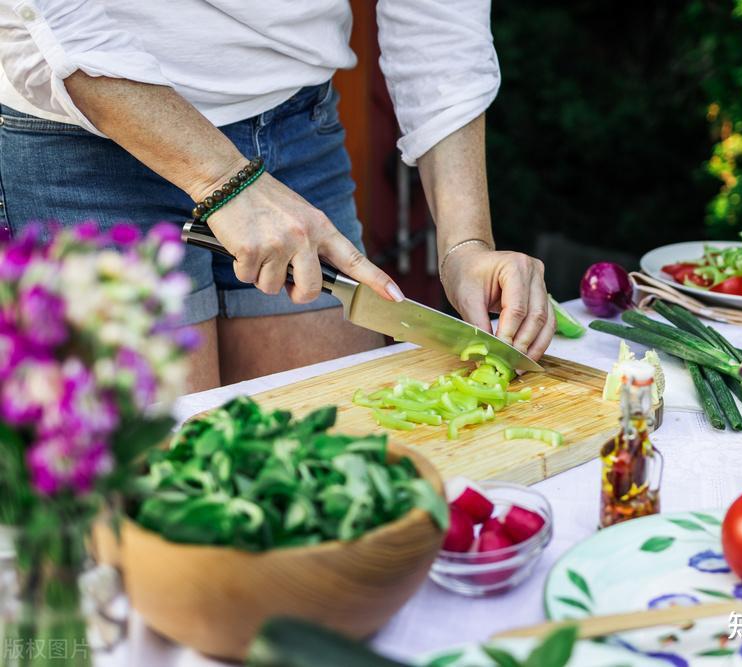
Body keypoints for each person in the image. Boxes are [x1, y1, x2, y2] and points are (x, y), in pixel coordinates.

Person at [0, 0, 556, 391]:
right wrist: (223, 179)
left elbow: (437, 18)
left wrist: (466, 243)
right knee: (151, 510)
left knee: (329, 468)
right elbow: (50, 16)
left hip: (294, 131)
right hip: (82, 142)